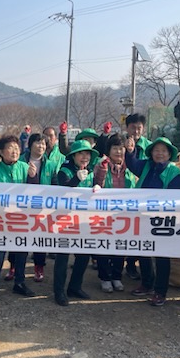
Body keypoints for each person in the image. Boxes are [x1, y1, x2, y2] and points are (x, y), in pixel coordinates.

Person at [125, 136, 180, 306]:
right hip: (143, 216)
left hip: (163, 219)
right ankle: (147, 283)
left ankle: (160, 291)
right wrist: (130, 151)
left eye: (163, 151)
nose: (159, 153)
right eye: (156, 150)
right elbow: (132, 164)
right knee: (143, 250)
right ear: (151, 153)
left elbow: (175, 196)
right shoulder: (147, 166)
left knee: (162, 256)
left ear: (169, 154)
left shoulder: (174, 173)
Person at [0, 135, 37, 303]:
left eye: (16, 147)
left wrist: (33, 177)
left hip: (21, 218)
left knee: (22, 252)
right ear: (1, 152)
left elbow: (34, 195)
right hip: (1, 219)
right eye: (10, 148)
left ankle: (19, 283)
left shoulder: (26, 167)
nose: (15, 151)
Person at [53, 140, 98, 306]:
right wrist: (76, 180)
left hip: (83, 220)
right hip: (65, 219)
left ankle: (75, 287)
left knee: (83, 255)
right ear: (73, 156)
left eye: (88, 154)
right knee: (63, 257)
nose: (85, 157)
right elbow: (63, 192)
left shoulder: (90, 171)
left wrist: (97, 188)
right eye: (81, 154)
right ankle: (59, 291)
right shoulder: (64, 171)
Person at [92, 133, 137, 293]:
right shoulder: (101, 165)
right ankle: (105, 277)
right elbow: (97, 185)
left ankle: (117, 276)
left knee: (120, 245)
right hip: (104, 214)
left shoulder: (130, 167)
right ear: (109, 150)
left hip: (123, 214)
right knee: (103, 245)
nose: (118, 152)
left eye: (121, 148)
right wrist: (102, 171)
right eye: (115, 148)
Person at [21, 133, 60, 281]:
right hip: (23, 206)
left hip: (43, 207)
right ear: (30, 145)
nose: (41, 146)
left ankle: (39, 266)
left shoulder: (50, 164)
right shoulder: (21, 162)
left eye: (43, 144)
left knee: (40, 237)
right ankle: (14, 266)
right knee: (19, 236)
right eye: (38, 143)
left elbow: (55, 185)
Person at [123, 113, 152, 281]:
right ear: (127, 128)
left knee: (141, 230)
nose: (136, 131)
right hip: (124, 192)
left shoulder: (151, 147)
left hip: (144, 196)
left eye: (139, 128)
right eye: (132, 127)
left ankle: (133, 262)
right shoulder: (120, 144)